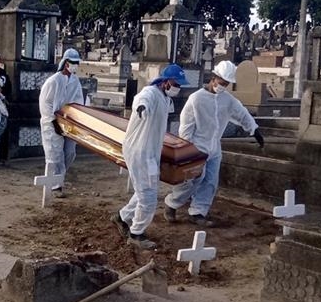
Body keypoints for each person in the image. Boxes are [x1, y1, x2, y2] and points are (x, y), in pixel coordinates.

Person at [163, 60, 264, 226]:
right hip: (197, 146)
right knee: (193, 180)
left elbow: (242, 113)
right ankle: (172, 204)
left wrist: (254, 129)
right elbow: (186, 127)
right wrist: (187, 150)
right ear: (213, 78)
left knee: (210, 181)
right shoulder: (196, 99)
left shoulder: (228, 100)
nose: (223, 86)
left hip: (214, 147)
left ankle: (198, 212)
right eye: (222, 82)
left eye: (227, 84)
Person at [111, 64, 189, 250]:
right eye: (175, 83)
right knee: (148, 197)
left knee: (146, 190)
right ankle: (136, 234)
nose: (178, 87)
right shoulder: (150, 93)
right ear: (165, 82)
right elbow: (141, 100)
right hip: (139, 151)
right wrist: (141, 108)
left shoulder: (165, 98)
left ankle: (122, 217)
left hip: (150, 151)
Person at [38, 48, 84, 198]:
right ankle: (55, 185)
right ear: (65, 63)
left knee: (70, 152)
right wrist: (54, 121)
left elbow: (78, 101)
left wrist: (73, 117)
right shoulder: (53, 81)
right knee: (55, 153)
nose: (75, 65)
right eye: (73, 62)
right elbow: (45, 104)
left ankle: (60, 177)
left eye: (77, 63)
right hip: (51, 122)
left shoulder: (75, 81)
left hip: (68, 121)